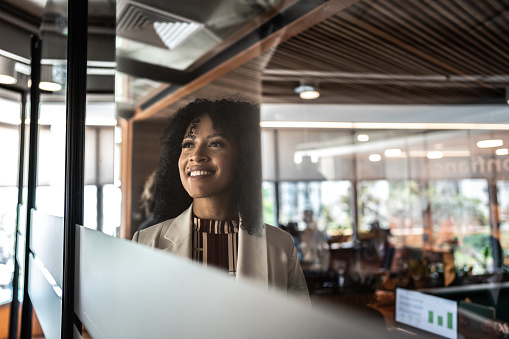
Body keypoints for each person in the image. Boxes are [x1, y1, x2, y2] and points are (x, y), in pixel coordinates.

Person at [132, 98, 309, 299]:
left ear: (242, 157)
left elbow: (297, 329)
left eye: (215, 143)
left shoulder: (279, 245)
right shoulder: (146, 243)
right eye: (188, 144)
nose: (196, 155)